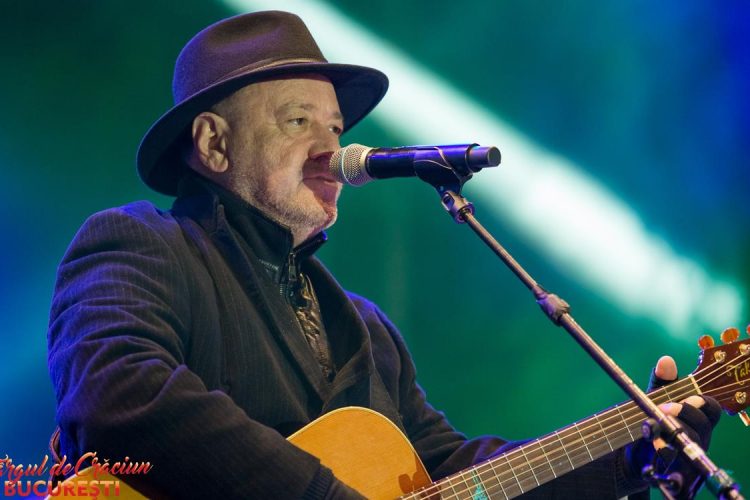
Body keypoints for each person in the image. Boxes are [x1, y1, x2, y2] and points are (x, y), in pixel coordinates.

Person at [47, 10, 720, 499]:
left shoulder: (366, 329)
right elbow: (117, 391)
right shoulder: (142, 244)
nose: (331, 148)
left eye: (335, 127)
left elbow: (453, 476)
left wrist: (629, 457)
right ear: (214, 144)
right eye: (297, 121)